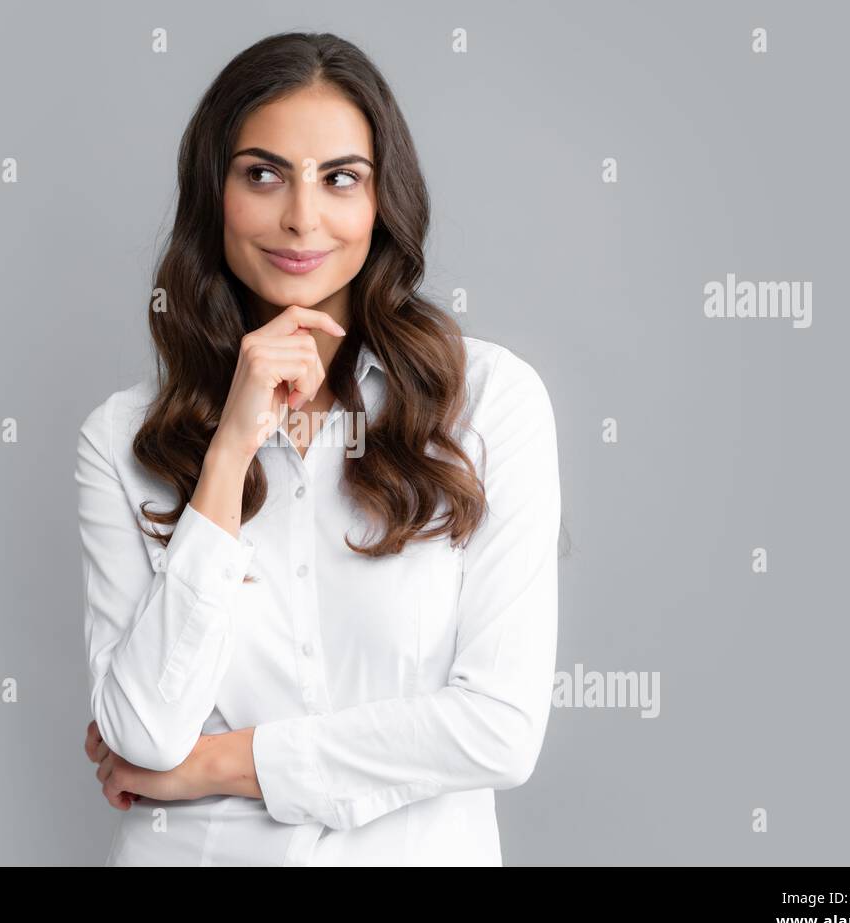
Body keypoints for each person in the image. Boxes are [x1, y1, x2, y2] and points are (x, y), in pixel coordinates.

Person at [74, 31, 561, 866]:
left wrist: (221, 765)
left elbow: (499, 730)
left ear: (382, 200)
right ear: (213, 194)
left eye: (341, 178)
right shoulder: (121, 439)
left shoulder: (489, 404)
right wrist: (230, 447)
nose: (301, 217)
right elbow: (144, 733)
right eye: (262, 174)